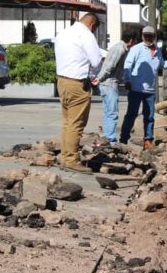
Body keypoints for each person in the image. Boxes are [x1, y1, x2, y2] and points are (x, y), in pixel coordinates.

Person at [55, 13, 102, 172]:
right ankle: (71, 160)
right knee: (76, 123)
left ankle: (65, 155)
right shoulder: (86, 35)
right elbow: (96, 61)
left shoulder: (64, 33)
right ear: (92, 25)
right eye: (94, 29)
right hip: (77, 82)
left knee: (67, 122)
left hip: (62, 80)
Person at [120, 26, 167, 149]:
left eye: (150, 36)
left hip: (150, 91)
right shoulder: (136, 49)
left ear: (154, 37)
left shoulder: (157, 50)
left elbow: (162, 65)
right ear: (142, 36)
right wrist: (127, 79)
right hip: (136, 89)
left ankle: (148, 140)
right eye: (145, 35)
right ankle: (123, 139)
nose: (147, 38)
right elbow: (128, 65)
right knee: (131, 114)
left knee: (150, 117)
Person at [97, 30, 138, 146]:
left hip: (108, 83)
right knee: (112, 113)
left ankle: (106, 137)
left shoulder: (121, 48)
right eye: (134, 41)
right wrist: (99, 78)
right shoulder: (120, 48)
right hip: (109, 83)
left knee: (108, 112)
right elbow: (110, 66)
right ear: (131, 41)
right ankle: (110, 139)